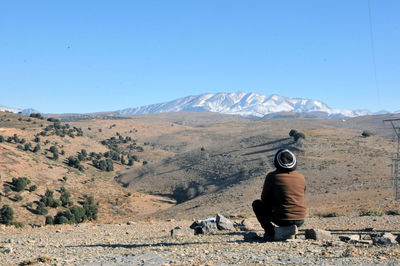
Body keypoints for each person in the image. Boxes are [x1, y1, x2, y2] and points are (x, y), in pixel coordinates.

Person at [252, 148, 306, 239]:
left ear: (276, 162)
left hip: (282, 219)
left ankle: (270, 232)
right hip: (300, 219)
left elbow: (265, 199)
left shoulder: (272, 176)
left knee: (257, 204)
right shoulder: (301, 177)